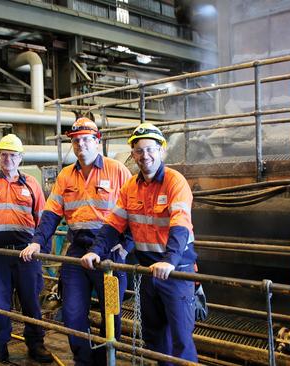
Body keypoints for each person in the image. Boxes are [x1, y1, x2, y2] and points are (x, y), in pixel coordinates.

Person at [81, 123, 198, 365]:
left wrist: (170, 261)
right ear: (132, 155)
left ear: (161, 151)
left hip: (176, 271)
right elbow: (113, 224)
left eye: (150, 149)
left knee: (181, 339)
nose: (145, 156)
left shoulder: (176, 182)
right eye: (139, 151)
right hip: (147, 272)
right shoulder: (130, 187)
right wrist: (95, 251)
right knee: (154, 336)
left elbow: (180, 224)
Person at [20, 117, 133, 365]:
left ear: (97, 141)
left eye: (85, 139)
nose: (80, 144)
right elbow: (51, 214)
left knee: (111, 315)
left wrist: (126, 248)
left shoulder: (117, 170)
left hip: (110, 252)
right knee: (71, 313)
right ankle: (84, 360)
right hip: (78, 248)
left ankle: (104, 360)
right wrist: (37, 242)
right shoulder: (66, 176)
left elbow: (135, 211)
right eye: (76, 140)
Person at [0, 133, 53, 363]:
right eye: (4, 155)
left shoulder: (31, 183)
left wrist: (41, 250)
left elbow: (43, 220)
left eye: (12, 155)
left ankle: (36, 344)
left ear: (20, 158)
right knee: (0, 302)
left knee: (31, 301)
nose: (8, 159)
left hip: (26, 254)